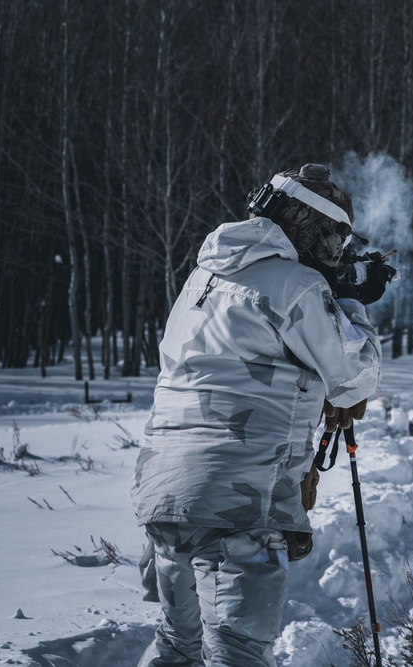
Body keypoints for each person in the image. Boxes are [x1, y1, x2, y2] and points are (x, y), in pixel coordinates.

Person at [132, 163, 392, 666]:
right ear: (316, 229)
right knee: (237, 654)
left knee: (176, 645)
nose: (338, 253)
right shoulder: (294, 283)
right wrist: (351, 299)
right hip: (236, 496)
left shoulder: (201, 278)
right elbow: (356, 374)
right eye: (337, 240)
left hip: (162, 493)